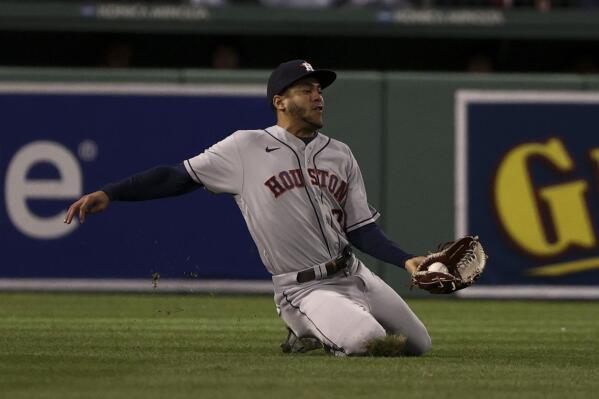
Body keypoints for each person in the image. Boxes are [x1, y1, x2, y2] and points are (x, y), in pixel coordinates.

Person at [64, 60, 432, 357]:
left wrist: (406, 260)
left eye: (320, 90)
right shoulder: (246, 147)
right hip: (303, 287)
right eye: (307, 90)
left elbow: (362, 228)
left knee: (419, 344)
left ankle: (327, 326)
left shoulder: (340, 153)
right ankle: (305, 328)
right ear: (280, 101)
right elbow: (176, 176)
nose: (318, 97)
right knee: (367, 340)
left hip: (354, 273)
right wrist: (111, 192)